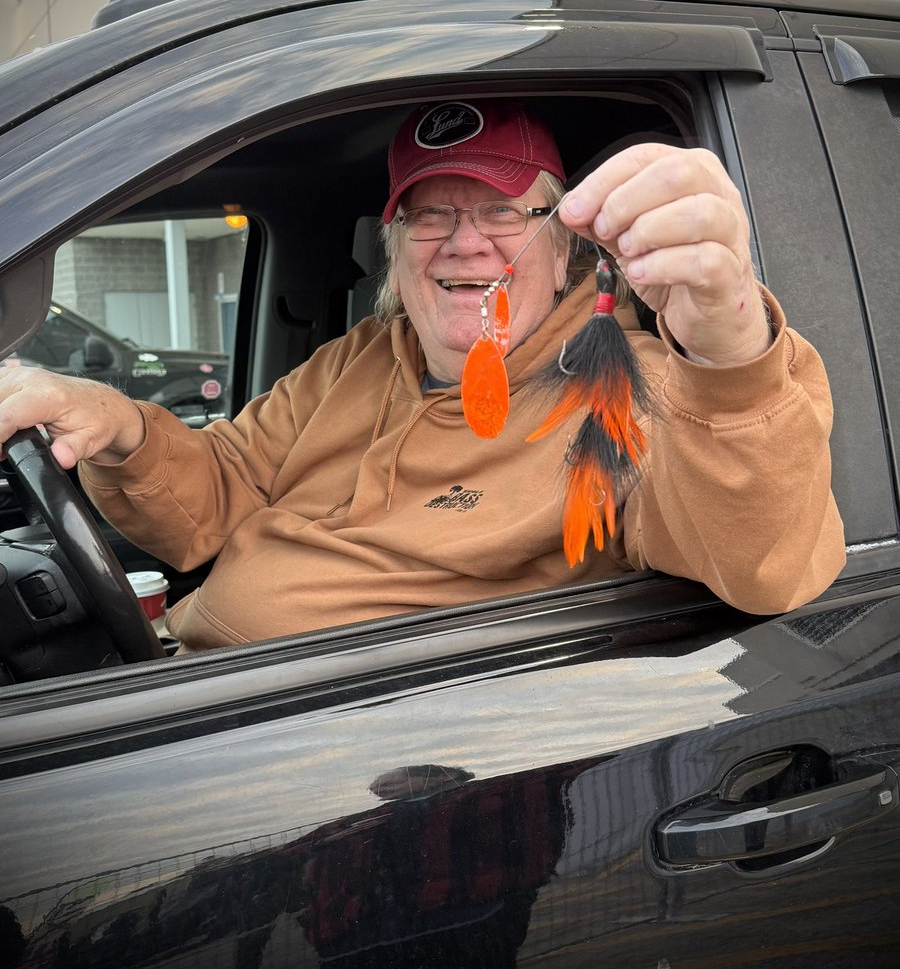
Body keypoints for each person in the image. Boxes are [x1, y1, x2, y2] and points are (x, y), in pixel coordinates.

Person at [0, 99, 845, 652]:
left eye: (503, 211)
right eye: (431, 212)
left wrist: (728, 346)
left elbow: (763, 564)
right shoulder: (362, 357)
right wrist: (119, 425)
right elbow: (215, 498)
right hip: (195, 680)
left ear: (564, 245)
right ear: (396, 249)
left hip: (349, 762)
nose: (464, 242)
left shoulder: (636, 387)